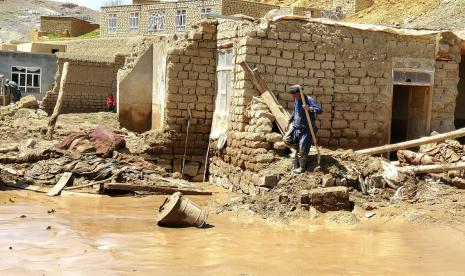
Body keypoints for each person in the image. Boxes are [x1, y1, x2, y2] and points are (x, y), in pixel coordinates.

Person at [283, 84, 322, 174]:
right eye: (292, 95)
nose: (293, 96)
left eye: (295, 95)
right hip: (295, 126)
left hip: (306, 128)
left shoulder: (308, 99)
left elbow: (319, 110)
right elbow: (294, 111)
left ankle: (302, 167)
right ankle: (299, 150)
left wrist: (309, 108)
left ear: (299, 93)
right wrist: (289, 121)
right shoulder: (296, 100)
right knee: (286, 139)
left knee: (303, 149)